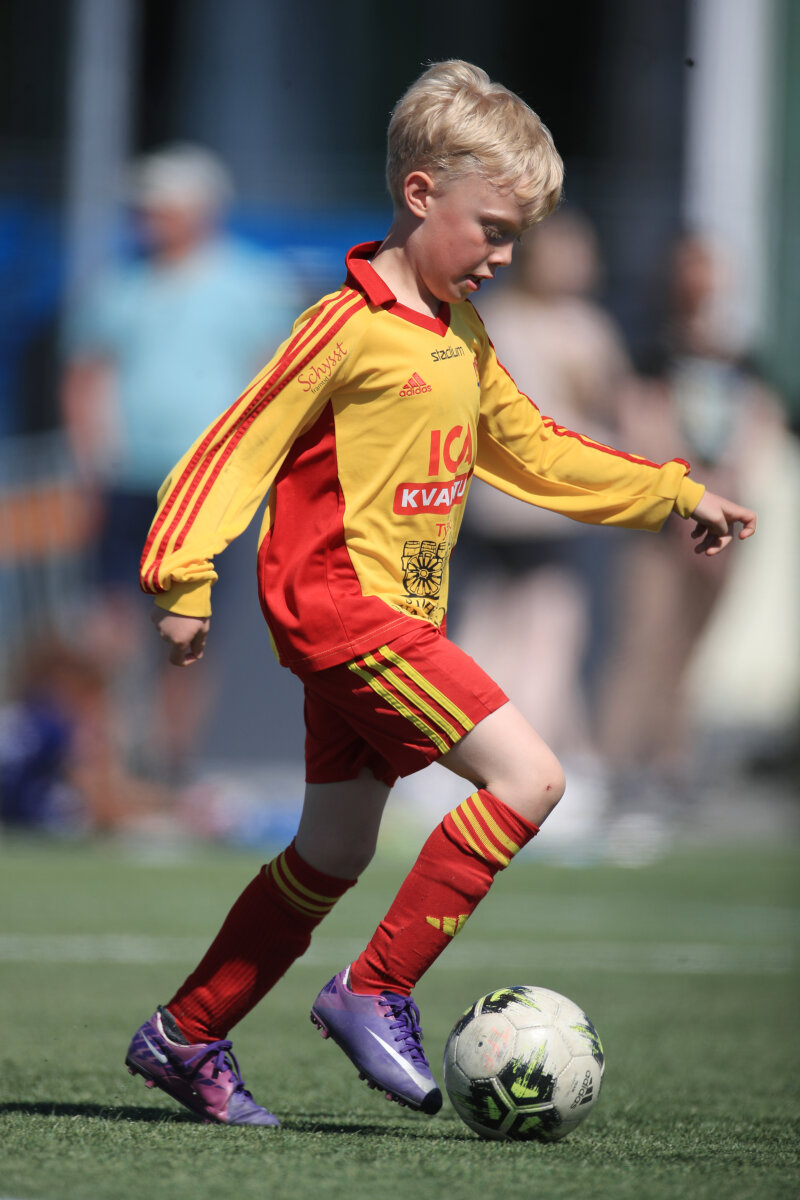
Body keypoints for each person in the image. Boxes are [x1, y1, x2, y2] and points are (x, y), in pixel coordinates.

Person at [123, 62, 756, 1127]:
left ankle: (185, 1033)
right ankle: (373, 988)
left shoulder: (457, 334)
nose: (503, 257)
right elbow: (236, 444)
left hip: (392, 620)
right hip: (344, 610)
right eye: (492, 231)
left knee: (332, 852)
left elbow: (534, 449)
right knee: (531, 777)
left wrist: (670, 491)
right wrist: (183, 576)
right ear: (420, 194)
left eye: (516, 239)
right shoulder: (343, 324)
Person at [61, 144, 301, 781]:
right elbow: (85, 376)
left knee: (187, 628)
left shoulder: (251, 285)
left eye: (159, 207)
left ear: (199, 211)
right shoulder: (119, 287)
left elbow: (273, 382)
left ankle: (169, 767)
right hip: (125, 482)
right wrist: (90, 464)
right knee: (109, 624)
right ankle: (106, 763)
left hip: (205, 489)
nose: (145, 218)